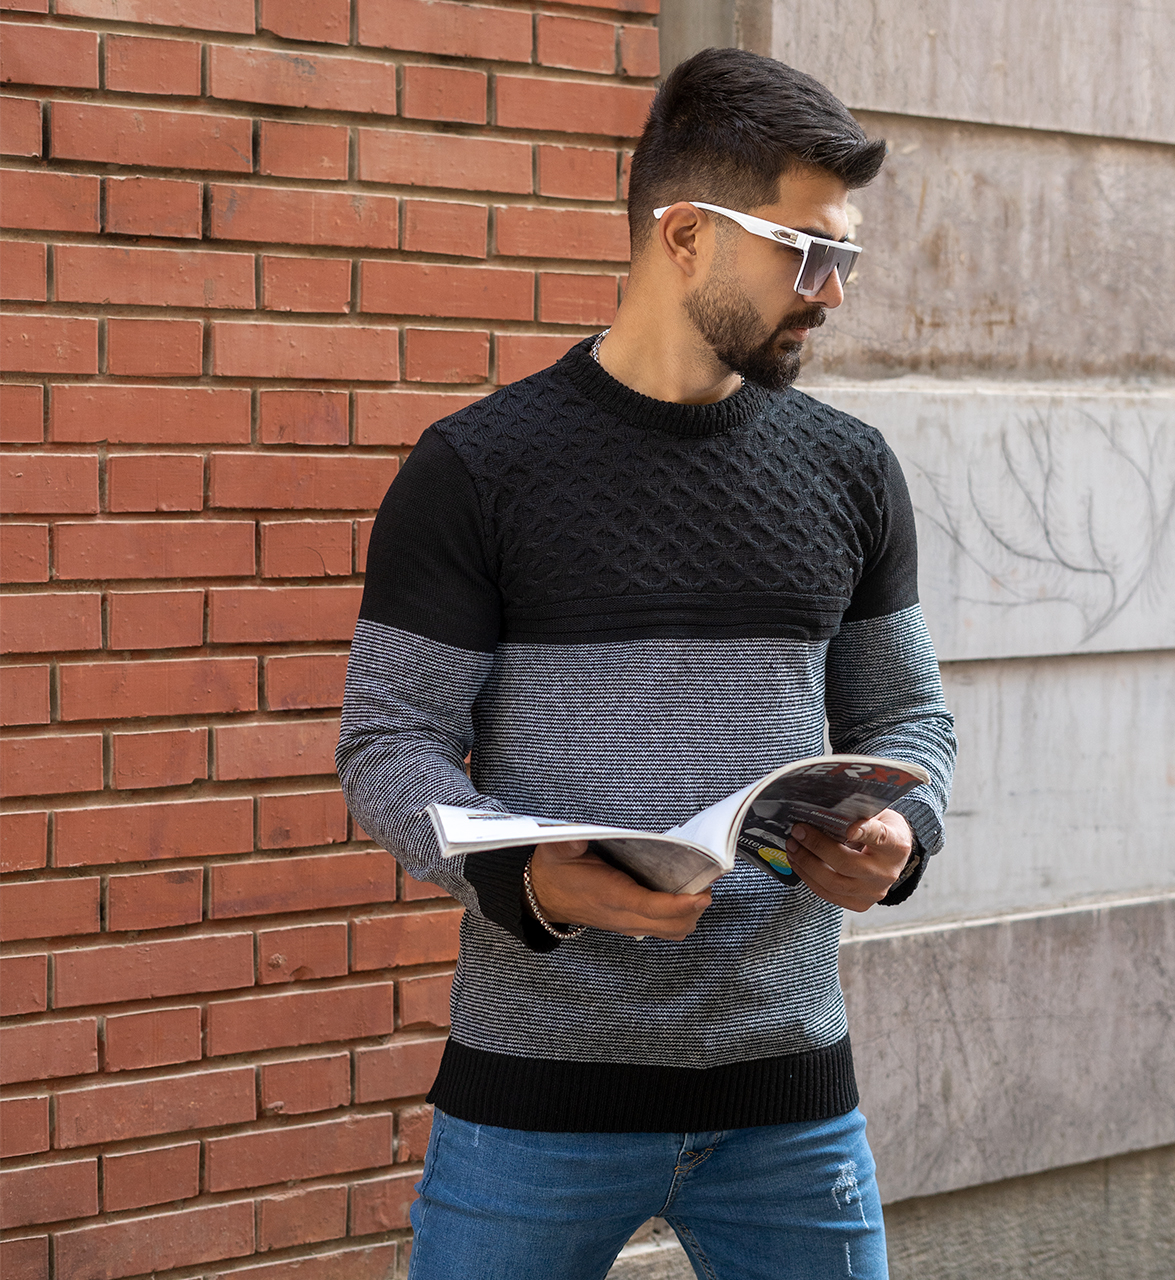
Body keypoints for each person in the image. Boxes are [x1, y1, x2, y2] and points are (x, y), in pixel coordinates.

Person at [337, 46, 956, 1280]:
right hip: (533, 1099)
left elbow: (907, 715)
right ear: (683, 233)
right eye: (805, 252)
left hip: (789, 1103)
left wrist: (902, 830)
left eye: (844, 255)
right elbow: (387, 741)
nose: (831, 292)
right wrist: (525, 872)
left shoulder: (849, 468)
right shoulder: (474, 469)